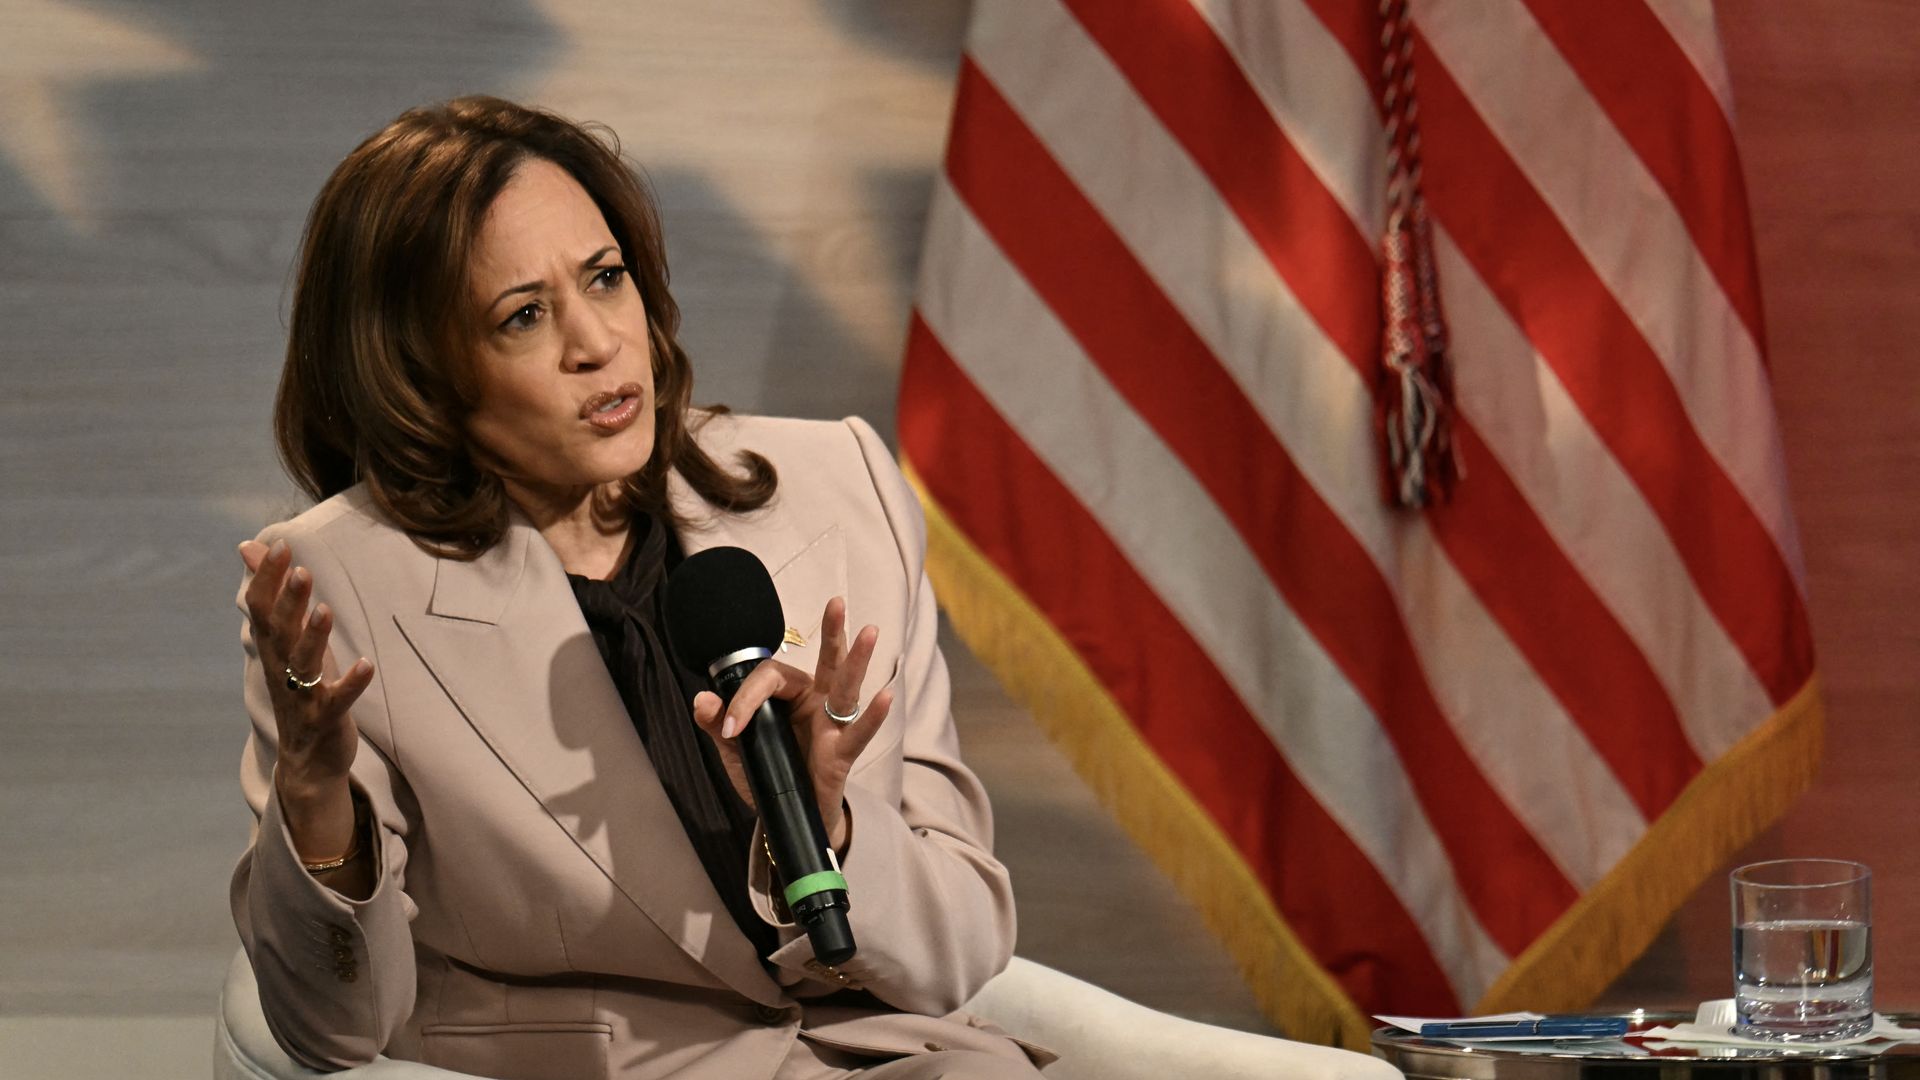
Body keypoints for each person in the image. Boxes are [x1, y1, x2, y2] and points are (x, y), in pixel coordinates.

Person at [229, 96, 1050, 1080]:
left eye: (606, 278)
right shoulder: (344, 583)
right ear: (422, 375)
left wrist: (827, 826)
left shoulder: (841, 483)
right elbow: (332, 1030)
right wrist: (316, 800)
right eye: (524, 315)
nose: (598, 342)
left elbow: (963, 951)